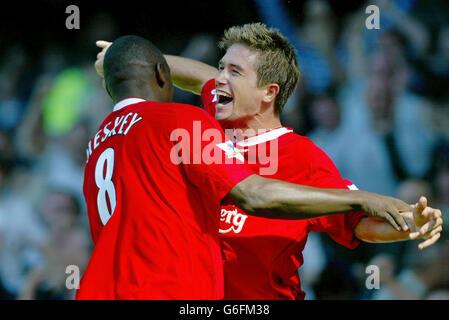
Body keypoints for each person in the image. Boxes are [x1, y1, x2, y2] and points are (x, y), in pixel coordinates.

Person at [91, 33, 441, 300]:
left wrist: (411, 224)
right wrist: (126, 60)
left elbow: (359, 225)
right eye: (222, 68)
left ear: (267, 92)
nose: (220, 79)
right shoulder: (208, 123)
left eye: (234, 72)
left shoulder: (301, 156)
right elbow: (198, 76)